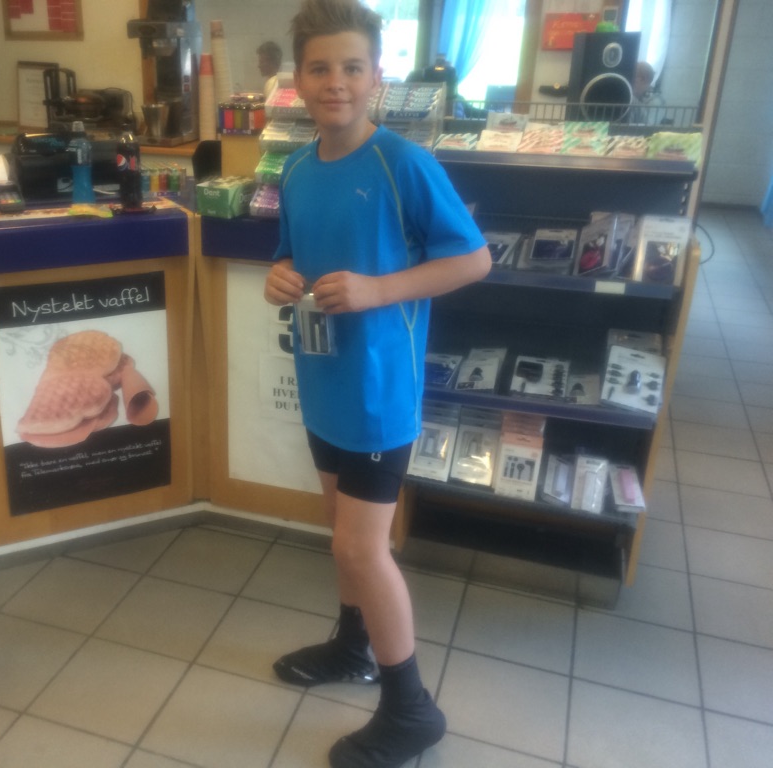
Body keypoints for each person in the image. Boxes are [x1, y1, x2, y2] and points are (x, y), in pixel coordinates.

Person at [262, 1, 491, 766]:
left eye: (352, 67)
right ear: (298, 80)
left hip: (379, 392)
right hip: (323, 380)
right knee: (342, 533)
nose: (337, 82)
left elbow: (473, 259)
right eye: (320, 68)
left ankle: (410, 709)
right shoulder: (296, 170)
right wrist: (279, 275)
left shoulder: (404, 164)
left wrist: (379, 290)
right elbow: (291, 257)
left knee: (363, 549)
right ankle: (352, 646)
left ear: (377, 78)